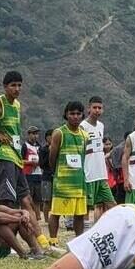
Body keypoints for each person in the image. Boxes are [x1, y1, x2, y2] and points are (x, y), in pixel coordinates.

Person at [0, 71, 54, 255]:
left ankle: (42, 244)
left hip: (15, 157)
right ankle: (6, 245)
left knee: (26, 200)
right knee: (6, 201)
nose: (17, 89)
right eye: (13, 85)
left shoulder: (18, 105)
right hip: (3, 156)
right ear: (5, 86)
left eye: (19, 85)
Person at [47, 101, 89, 240]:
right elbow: (52, 157)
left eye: (78, 113)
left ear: (82, 115)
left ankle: (79, 241)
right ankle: (53, 240)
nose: (75, 116)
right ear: (66, 114)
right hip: (63, 182)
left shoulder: (85, 135)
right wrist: (57, 174)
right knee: (56, 212)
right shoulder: (59, 133)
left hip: (79, 182)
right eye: (72, 113)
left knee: (79, 214)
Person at [81, 96, 116, 223]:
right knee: (86, 207)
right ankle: (83, 234)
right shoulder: (82, 126)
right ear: (88, 108)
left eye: (99, 108)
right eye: (94, 107)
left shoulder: (101, 126)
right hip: (88, 174)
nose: (97, 110)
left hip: (101, 174)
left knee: (111, 204)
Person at [23, 126, 44, 222]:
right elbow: (20, 160)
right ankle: (29, 215)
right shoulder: (24, 146)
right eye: (33, 133)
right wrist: (30, 163)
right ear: (29, 134)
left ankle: (38, 216)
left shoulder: (40, 147)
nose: (35, 136)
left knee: (38, 197)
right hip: (28, 174)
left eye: (36, 134)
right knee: (29, 196)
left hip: (38, 174)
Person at [37, 129, 54, 221]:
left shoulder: (58, 148)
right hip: (46, 177)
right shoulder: (43, 149)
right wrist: (49, 152)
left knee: (56, 199)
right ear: (47, 137)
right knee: (46, 200)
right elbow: (42, 164)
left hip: (56, 177)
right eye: (51, 136)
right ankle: (47, 219)